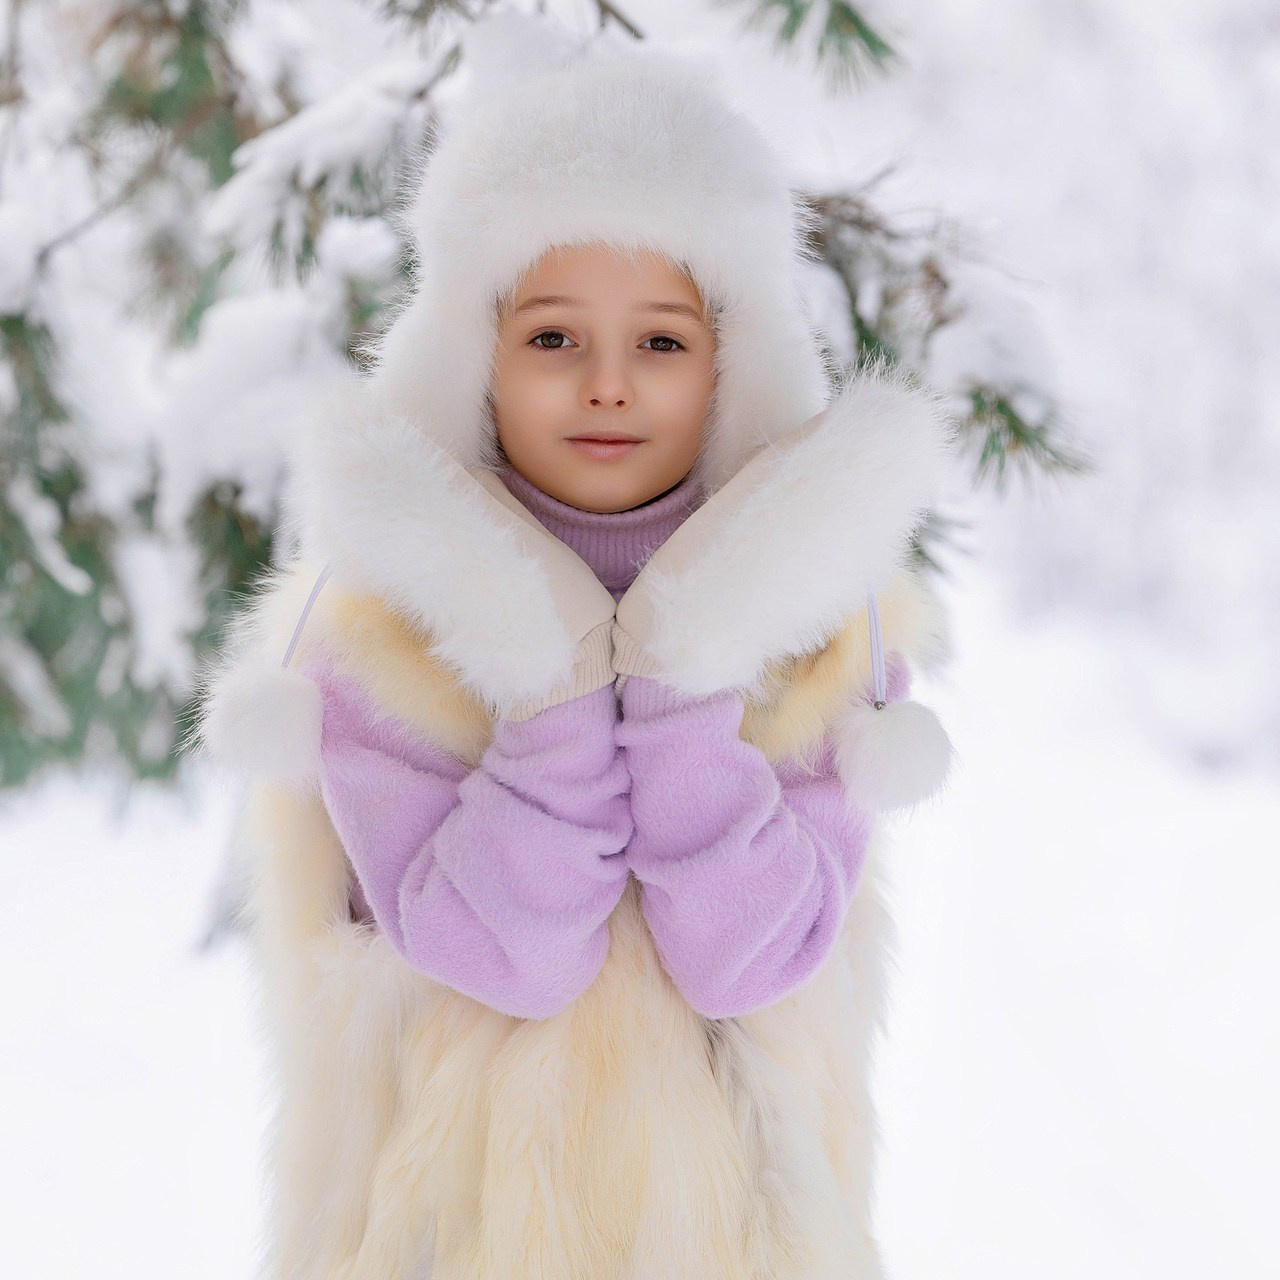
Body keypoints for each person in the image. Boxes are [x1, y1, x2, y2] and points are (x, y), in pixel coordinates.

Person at [194, 22, 957, 1279]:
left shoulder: (814, 633)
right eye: (552, 337)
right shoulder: (391, 635)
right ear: (475, 355)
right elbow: (508, 954)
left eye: (659, 340)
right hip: (459, 1233)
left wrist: (679, 682)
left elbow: (748, 956)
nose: (607, 383)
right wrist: (547, 690)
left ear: (729, 361)